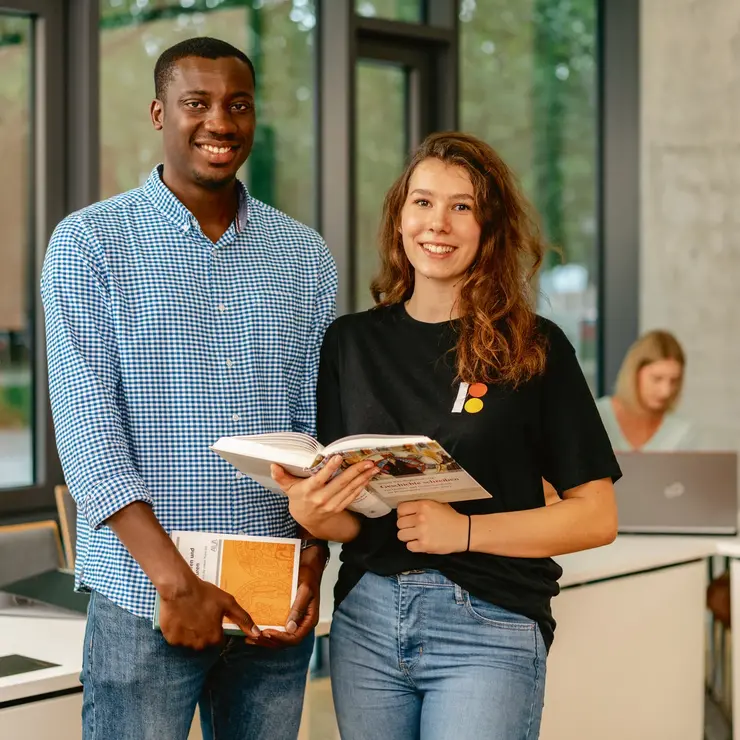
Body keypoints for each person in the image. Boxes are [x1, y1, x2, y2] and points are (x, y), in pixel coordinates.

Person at [271, 132, 621, 740]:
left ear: (488, 226)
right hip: (367, 621)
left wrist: (462, 530)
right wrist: (313, 510)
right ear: (399, 217)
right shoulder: (350, 343)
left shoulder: (535, 348)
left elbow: (596, 517)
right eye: (423, 202)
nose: (439, 223)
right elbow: (356, 519)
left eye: (461, 206)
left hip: (488, 622)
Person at [41, 37, 341, 740]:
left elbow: (314, 426)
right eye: (196, 103)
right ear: (158, 112)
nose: (220, 122)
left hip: (272, 599)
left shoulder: (304, 255)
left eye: (238, 105)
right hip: (147, 598)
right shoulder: (90, 244)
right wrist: (175, 583)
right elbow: (89, 435)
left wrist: (311, 562)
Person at [596, 330, 696, 451]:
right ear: (634, 373)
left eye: (674, 381)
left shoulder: (681, 432)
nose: (666, 391)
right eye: (657, 379)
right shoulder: (596, 416)